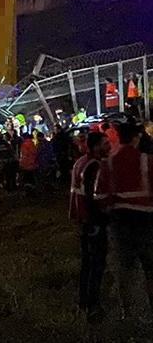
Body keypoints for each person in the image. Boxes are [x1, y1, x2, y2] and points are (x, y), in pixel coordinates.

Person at [104, 122, 153, 320]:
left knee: (124, 267)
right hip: (145, 218)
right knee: (150, 266)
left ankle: (127, 312)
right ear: (135, 138)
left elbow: (103, 193)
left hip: (119, 220)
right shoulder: (146, 160)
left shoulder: (109, 162)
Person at [69, 132, 111, 322]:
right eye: (105, 143)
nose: (109, 146)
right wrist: (100, 219)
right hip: (92, 221)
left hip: (82, 219)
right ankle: (93, 306)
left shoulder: (80, 162)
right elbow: (92, 196)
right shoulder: (94, 165)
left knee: (87, 263)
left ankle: (83, 301)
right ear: (95, 147)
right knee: (96, 264)